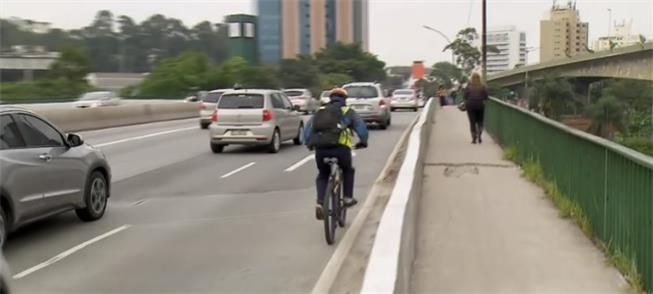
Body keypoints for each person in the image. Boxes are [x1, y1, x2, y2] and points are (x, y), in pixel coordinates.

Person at [304, 88, 369, 220]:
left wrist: (309, 143)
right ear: (345, 99)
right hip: (341, 150)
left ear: (330, 98)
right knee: (347, 170)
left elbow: (308, 130)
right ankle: (347, 198)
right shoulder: (347, 112)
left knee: (323, 174)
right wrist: (363, 141)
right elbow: (361, 128)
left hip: (321, 149)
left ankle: (320, 203)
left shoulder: (320, 111)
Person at [464, 72, 489, 144]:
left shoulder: (468, 86)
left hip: (470, 105)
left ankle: (474, 138)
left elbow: (465, 96)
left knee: (472, 122)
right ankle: (480, 135)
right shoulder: (483, 86)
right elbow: (486, 96)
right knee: (480, 121)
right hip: (480, 105)